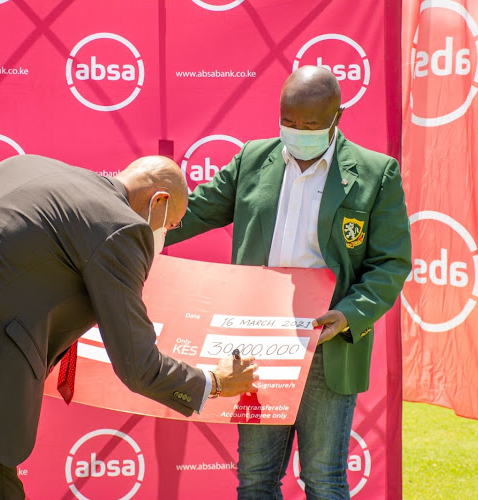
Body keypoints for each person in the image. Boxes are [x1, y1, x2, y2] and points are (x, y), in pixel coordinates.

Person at [0, 154, 259, 499]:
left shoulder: (30, 164)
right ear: (159, 202)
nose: (166, 234)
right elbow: (137, 365)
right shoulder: (123, 228)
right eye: (173, 222)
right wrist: (213, 382)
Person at [165, 66, 412, 499]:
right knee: (256, 478)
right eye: (289, 122)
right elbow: (194, 212)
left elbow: (390, 263)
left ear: (338, 117)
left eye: (311, 125)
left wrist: (351, 314)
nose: (297, 132)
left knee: (324, 479)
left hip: (327, 341)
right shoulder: (252, 159)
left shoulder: (376, 174)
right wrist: (129, 231)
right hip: (259, 341)